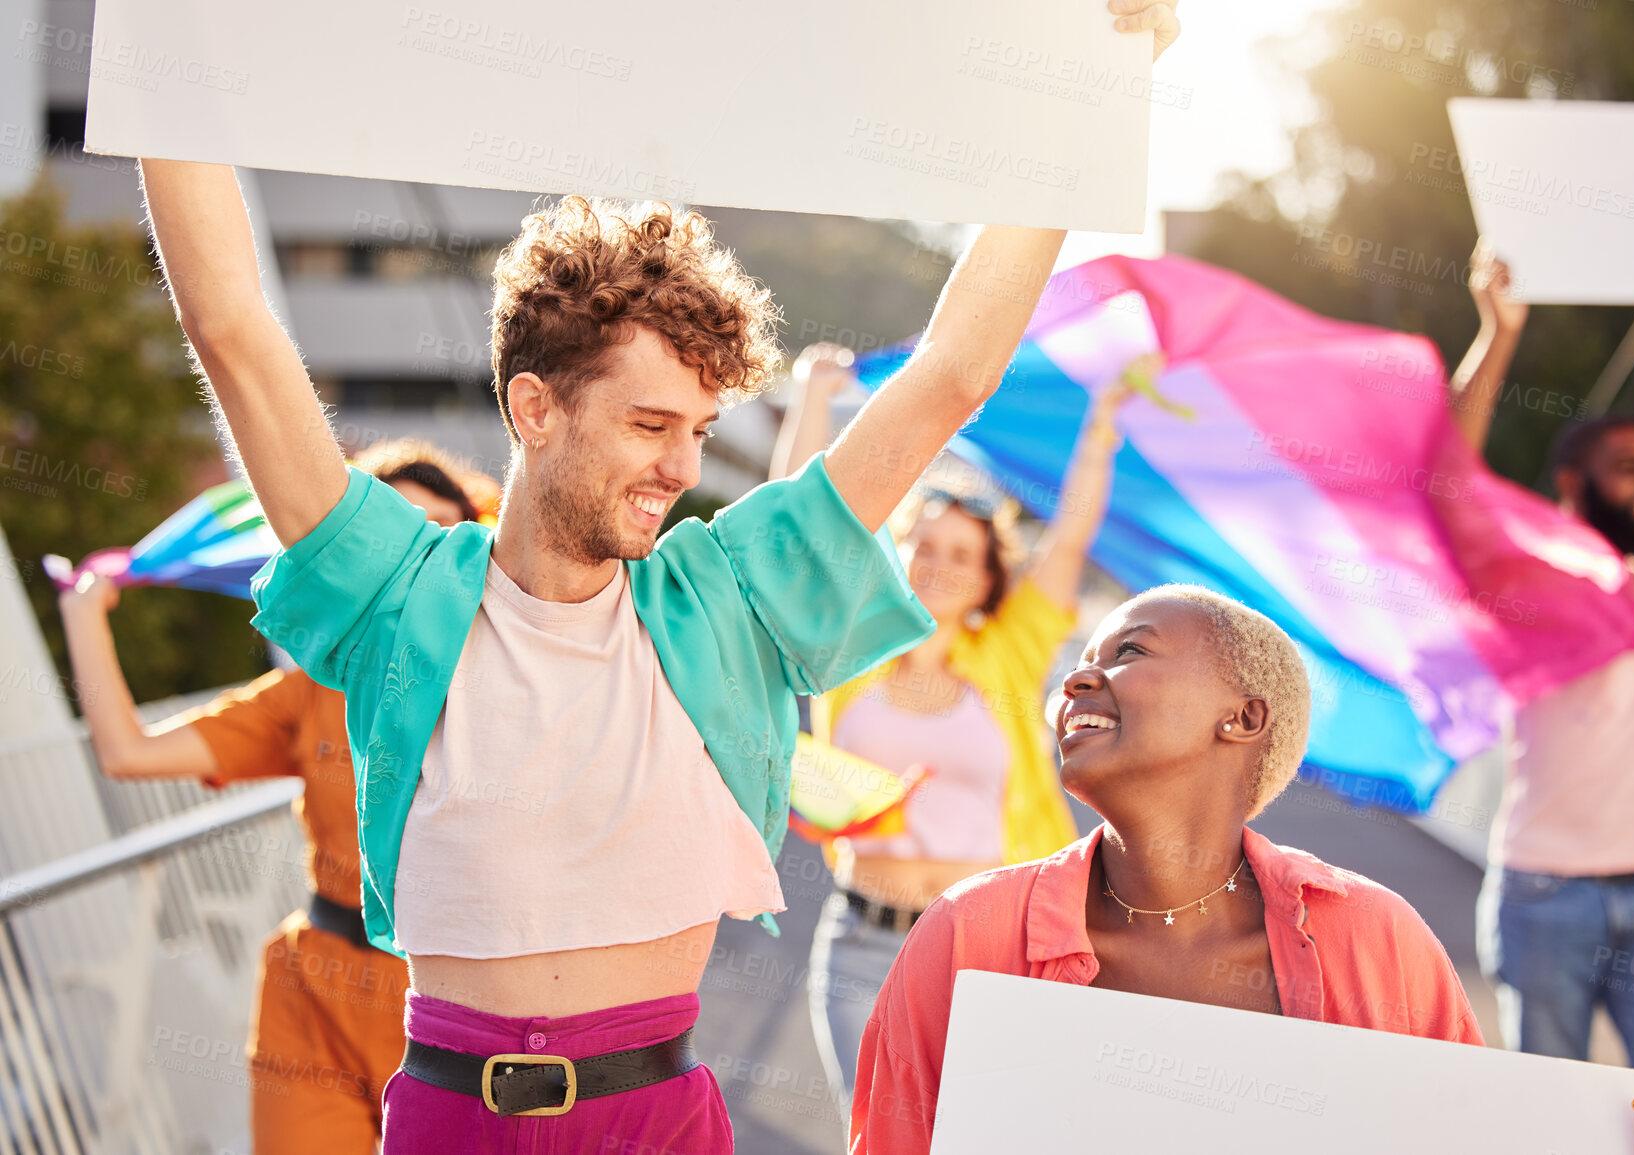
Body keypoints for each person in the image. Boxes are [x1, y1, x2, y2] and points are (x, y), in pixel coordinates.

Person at [135, 8, 1176, 1149]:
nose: (680, 468)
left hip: (654, 1118)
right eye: (646, 423)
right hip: (444, 1115)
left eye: (698, 428)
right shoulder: (401, 591)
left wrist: (1081, 106)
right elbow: (231, 326)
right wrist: (157, 46)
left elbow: (952, 373)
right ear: (533, 409)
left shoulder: (727, 594)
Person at [849, 585, 1484, 1153]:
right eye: (1079, 663)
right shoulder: (968, 933)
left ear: (1242, 718)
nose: (1074, 683)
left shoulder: (1380, 941)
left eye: (1128, 652)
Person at [57, 440, 479, 1155]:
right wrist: (83, 613)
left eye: (441, 534)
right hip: (315, 996)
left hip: (461, 1001)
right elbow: (130, 753)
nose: (419, 556)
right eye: (399, 532)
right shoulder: (307, 692)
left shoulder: (512, 680)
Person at [772, 343, 1138, 1108]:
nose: (937, 564)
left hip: (989, 949)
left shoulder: (1009, 653)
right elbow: (789, 531)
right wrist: (811, 396)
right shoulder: (852, 646)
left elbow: (1067, 537)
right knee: (878, 1133)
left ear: (985, 579)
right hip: (861, 944)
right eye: (924, 546)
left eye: (960, 554)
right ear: (898, 553)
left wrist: (1100, 428)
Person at [1455, 247, 1634, 1076]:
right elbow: (1448, 476)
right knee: (1549, 1118)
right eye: (1627, 468)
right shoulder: (1525, 573)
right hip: (1547, 894)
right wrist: (1497, 333)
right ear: (1574, 485)